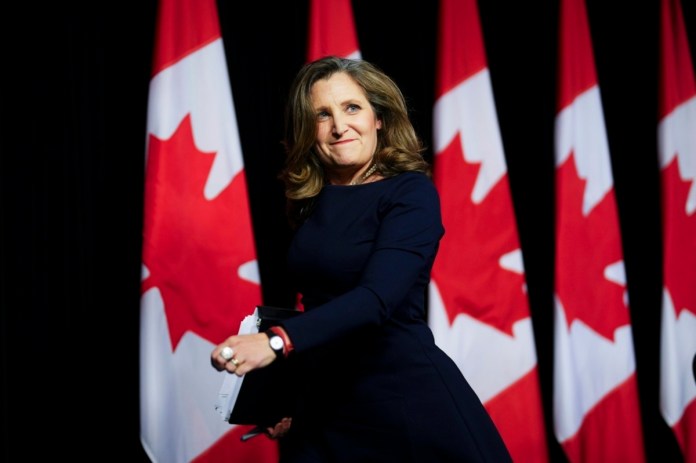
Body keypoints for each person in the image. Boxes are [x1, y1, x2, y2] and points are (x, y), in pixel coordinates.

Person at [211, 56, 512, 462]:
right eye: (322, 114)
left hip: (403, 404)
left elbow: (375, 299)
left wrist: (276, 342)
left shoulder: (410, 194)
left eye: (352, 108)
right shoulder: (310, 200)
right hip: (324, 410)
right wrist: (285, 394)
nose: (339, 126)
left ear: (379, 118)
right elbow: (320, 305)